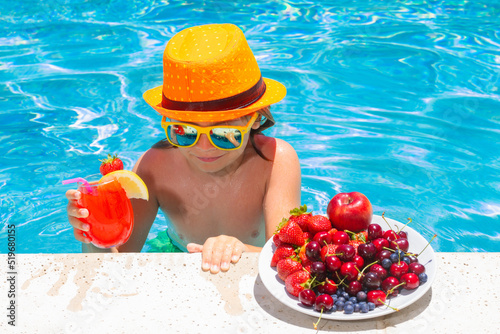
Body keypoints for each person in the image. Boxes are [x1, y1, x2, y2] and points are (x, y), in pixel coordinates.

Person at [65, 23, 301, 274]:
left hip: (252, 259)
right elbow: (115, 263)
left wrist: (240, 250)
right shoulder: (155, 167)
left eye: (224, 134)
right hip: (175, 252)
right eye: (185, 132)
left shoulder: (275, 162)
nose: (204, 147)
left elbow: (290, 259)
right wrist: (93, 232)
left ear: (254, 118)